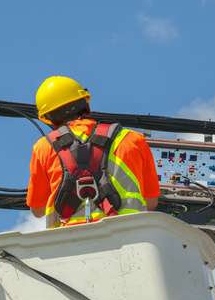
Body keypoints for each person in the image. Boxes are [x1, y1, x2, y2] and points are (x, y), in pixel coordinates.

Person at [27, 76, 160, 227]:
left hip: (69, 243)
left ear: (48, 118)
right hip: (129, 237)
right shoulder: (132, 140)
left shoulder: (43, 147)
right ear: (85, 103)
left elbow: (38, 210)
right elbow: (151, 202)